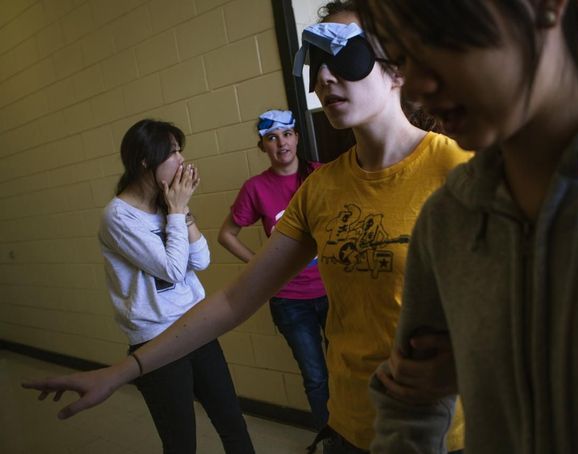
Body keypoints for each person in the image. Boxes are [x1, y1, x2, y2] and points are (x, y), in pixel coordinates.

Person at [21, 2, 471, 453]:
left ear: (397, 70)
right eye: (316, 64)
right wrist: (121, 371)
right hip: (351, 426)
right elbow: (236, 299)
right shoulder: (321, 190)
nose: (325, 78)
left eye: (344, 56)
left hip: (441, 433)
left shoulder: (459, 172)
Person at [350, 1, 578, 453]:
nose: (420, 85)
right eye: (403, 56)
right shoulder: (447, 220)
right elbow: (409, 401)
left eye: (440, 37)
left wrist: (485, 363)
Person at [95, 119, 254, 454]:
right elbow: (171, 268)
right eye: (173, 153)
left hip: (196, 325)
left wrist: (180, 210)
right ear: (145, 161)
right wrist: (178, 210)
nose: (182, 160)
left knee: (232, 423)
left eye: (181, 151)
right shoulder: (118, 216)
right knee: (181, 442)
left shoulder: (168, 205)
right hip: (156, 339)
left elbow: (202, 260)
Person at [217, 109, 330, 431]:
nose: (281, 143)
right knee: (316, 378)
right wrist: (263, 267)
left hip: (336, 291)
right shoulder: (255, 188)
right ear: (262, 146)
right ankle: (331, 441)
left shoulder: (322, 175)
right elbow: (226, 235)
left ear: (297, 137)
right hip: (291, 300)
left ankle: (358, 437)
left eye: (287, 134)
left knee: (350, 370)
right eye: (271, 137)